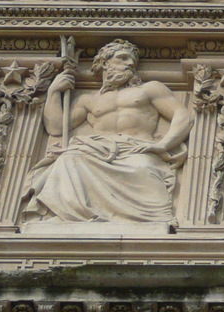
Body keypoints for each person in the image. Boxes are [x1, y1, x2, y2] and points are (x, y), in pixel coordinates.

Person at [20, 38, 192, 225]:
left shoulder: (149, 89)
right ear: (104, 63)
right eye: (123, 58)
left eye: (132, 60)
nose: (130, 64)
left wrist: (163, 145)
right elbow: (55, 127)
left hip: (135, 149)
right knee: (68, 160)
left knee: (143, 167)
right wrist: (54, 91)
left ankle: (157, 219)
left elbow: (182, 114)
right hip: (97, 151)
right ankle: (72, 216)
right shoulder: (88, 100)